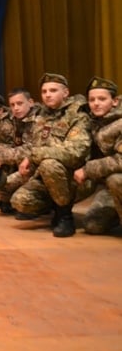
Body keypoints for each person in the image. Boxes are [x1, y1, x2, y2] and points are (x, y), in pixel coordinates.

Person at [10, 73, 93, 237]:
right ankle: (56, 206)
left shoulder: (78, 116)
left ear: (65, 92)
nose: (48, 95)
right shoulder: (43, 116)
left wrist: (35, 155)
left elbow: (75, 153)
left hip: (75, 177)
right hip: (47, 176)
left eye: (53, 90)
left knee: (49, 164)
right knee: (19, 201)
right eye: (44, 91)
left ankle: (65, 216)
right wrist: (29, 159)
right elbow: (35, 145)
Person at [0, 88, 39, 214]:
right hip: (18, 163)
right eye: (12, 105)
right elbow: (11, 145)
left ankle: (39, 205)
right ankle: (13, 200)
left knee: (11, 193)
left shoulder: (39, 121)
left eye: (19, 103)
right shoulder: (13, 120)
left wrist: (2, 156)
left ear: (31, 102)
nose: (16, 108)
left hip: (36, 165)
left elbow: (31, 148)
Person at [75, 77, 122, 235]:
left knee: (115, 179)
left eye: (102, 99)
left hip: (117, 181)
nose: (96, 103)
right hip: (111, 188)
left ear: (114, 101)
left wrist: (87, 170)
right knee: (92, 225)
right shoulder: (95, 121)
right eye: (92, 100)